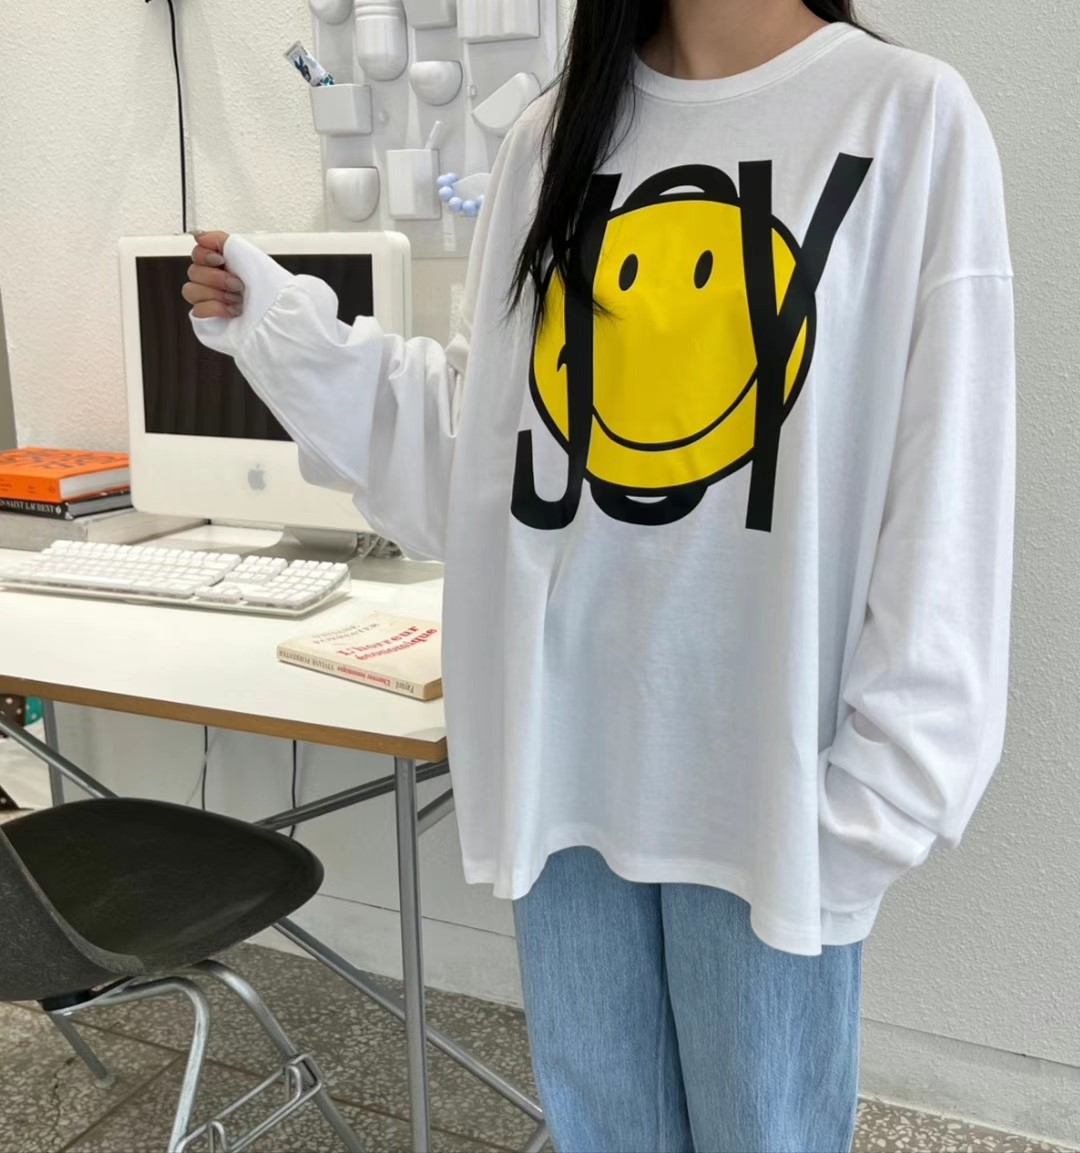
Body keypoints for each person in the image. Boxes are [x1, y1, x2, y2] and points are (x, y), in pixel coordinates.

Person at [183, 1, 1015, 1148]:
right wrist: (287, 334)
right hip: (568, 769)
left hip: (772, 786)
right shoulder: (554, 136)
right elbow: (490, 452)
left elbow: (948, 477)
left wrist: (887, 790)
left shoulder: (905, 116)